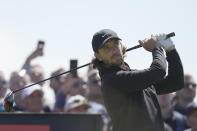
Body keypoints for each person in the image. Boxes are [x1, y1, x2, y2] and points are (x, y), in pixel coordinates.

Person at [91, 29, 184, 131]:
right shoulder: (112, 79)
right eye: (106, 48)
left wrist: (171, 50)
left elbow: (176, 83)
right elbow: (158, 71)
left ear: (121, 46)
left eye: (115, 44)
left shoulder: (132, 77)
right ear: (98, 56)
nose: (114, 49)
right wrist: (156, 48)